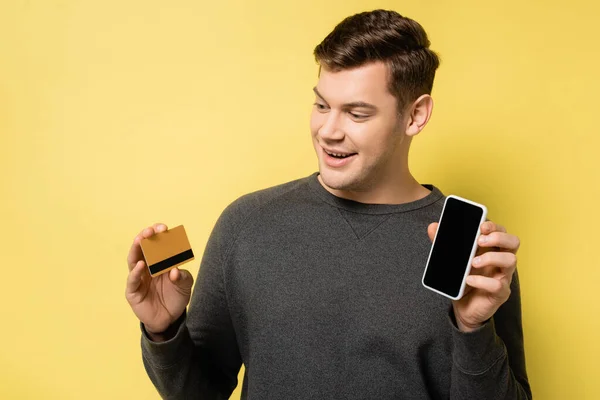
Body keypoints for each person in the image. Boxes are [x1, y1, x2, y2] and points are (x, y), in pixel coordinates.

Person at [125, 9, 531, 399]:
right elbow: (199, 393)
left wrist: (473, 329)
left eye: (356, 113)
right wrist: (164, 332)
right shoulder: (246, 223)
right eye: (321, 106)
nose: (328, 131)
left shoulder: (473, 254)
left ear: (415, 116)